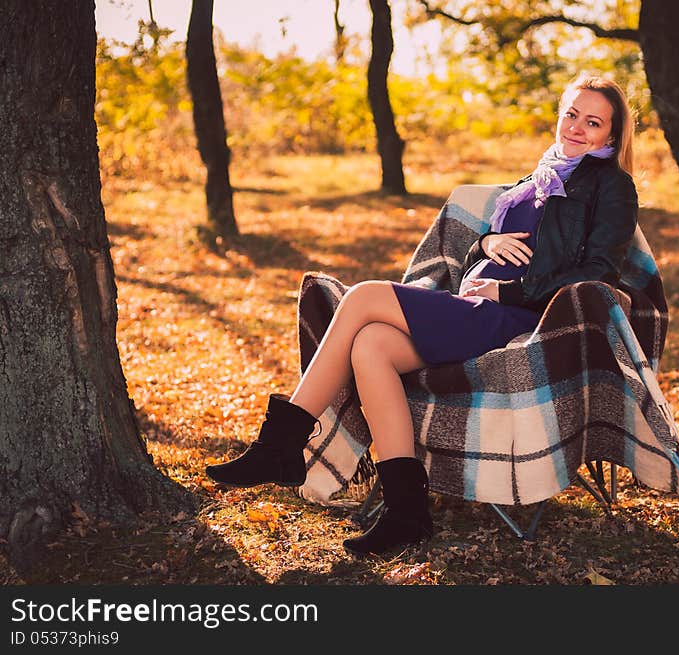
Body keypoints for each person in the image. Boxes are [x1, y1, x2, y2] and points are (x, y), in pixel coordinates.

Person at [205, 72, 639, 558]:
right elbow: (501, 244)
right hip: (479, 309)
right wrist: (485, 242)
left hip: (527, 322)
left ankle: (280, 446)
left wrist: (508, 292)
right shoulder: (537, 177)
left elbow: (599, 272)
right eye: (571, 113)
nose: (577, 127)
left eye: (593, 122)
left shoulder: (611, 186)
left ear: (611, 136)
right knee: (370, 345)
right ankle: (406, 514)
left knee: (366, 296)